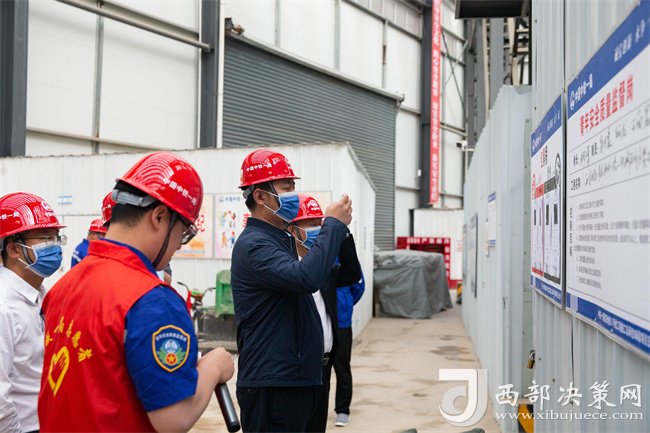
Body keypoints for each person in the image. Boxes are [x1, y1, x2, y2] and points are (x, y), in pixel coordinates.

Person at [38, 152, 234, 432]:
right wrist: (213, 368)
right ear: (159, 216)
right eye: (182, 233)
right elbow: (173, 418)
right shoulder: (152, 300)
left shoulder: (65, 285)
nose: (179, 245)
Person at [231, 149, 353, 433]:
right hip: (273, 385)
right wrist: (332, 226)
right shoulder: (255, 244)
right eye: (286, 188)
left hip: (294, 380)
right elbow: (306, 278)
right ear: (260, 196)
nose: (294, 196)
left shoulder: (279, 240)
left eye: (293, 188)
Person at [287, 195, 361, 433]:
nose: (316, 229)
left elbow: (352, 275)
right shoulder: (286, 268)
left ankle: (342, 409)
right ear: (292, 229)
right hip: (297, 368)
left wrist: (342, 231)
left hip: (323, 365)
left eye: (319, 223)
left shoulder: (325, 268)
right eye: (309, 224)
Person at [0, 192, 66, 433]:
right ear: (14, 249)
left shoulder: (41, 295)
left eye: (56, 237)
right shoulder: (4, 306)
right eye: (45, 238)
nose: (55, 246)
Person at [332, 273, 365, 427]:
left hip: (342, 323)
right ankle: (316, 409)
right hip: (321, 322)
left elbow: (359, 287)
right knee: (320, 371)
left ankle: (342, 410)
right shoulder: (316, 259)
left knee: (342, 368)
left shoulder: (347, 263)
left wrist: (346, 303)